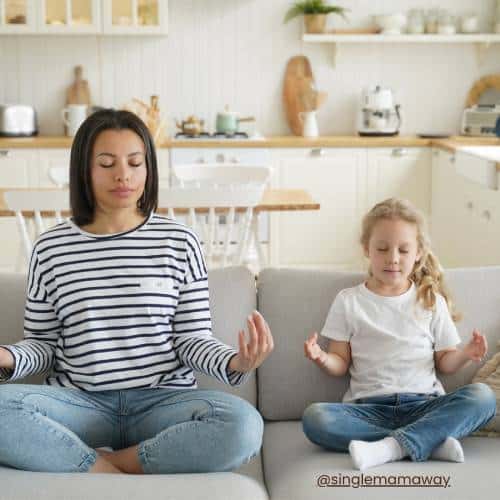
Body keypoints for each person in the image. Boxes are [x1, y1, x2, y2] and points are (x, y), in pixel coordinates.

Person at [0, 109, 273, 474]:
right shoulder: (51, 248)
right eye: (107, 163)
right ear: (84, 170)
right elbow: (44, 345)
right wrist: (8, 357)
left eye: (134, 162)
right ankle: (106, 467)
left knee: (243, 425)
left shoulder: (179, 241)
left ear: (148, 169)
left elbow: (191, 339)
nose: (123, 175)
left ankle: (105, 465)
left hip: (164, 403)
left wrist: (235, 363)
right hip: (80, 403)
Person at [302, 198, 496, 471]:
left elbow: (445, 363)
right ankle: (430, 440)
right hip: (370, 410)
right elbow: (340, 362)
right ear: (367, 250)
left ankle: (389, 448)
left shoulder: (430, 300)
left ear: (418, 253)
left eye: (403, 250)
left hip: (425, 406)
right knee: (315, 418)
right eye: (382, 248)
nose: (393, 258)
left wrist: (466, 353)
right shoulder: (349, 301)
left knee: (484, 398)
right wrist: (321, 357)